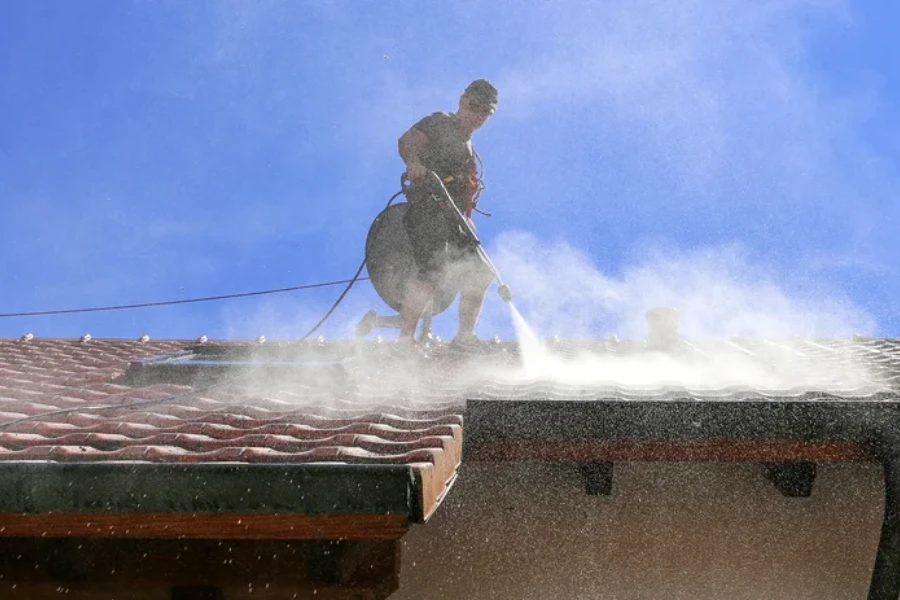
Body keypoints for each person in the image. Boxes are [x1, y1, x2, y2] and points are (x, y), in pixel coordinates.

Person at [396, 79, 499, 347]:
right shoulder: (440, 122)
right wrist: (414, 162)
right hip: (428, 209)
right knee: (433, 268)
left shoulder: (468, 148)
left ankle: (464, 337)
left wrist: (467, 217)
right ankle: (405, 341)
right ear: (462, 100)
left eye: (485, 112)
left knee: (481, 272)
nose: (477, 116)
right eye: (474, 107)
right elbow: (408, 140)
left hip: (455, 219)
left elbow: (462, 193)